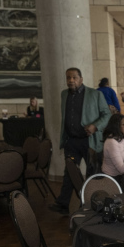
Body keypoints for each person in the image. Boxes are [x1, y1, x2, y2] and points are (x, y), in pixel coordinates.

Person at [48, 67, 111, 214]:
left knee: (91, 174)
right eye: (68, 78)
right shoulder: (64, 94)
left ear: (81, 79)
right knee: (69, 172)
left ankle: (89, 204)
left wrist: (95, 126)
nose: (71, 80)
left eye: (74, 77)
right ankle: (63, 204)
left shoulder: (95, 94)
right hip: (71, 141)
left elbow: (107, 114)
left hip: (89, 141)